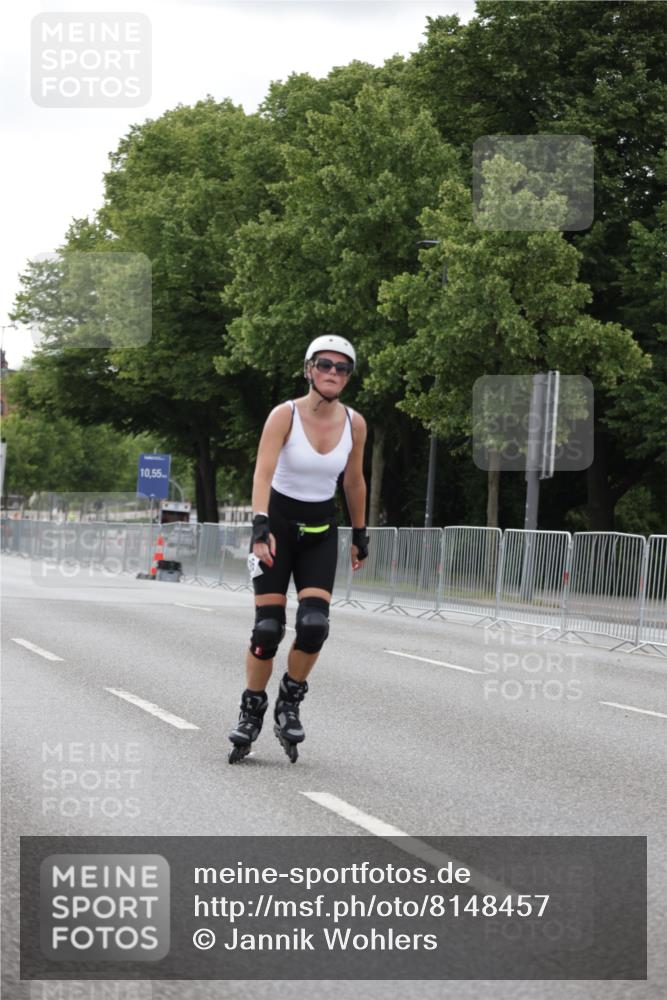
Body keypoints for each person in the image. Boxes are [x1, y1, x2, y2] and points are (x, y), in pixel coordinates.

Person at [228, 335, 369, 763]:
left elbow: (354, 481)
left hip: (321, 532)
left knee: (313, 626)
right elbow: (263, 473)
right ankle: (252, 708)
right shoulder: (283, 415)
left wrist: (361, 533)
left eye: (342, 368)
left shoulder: (355, 423)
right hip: (278, 532)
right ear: (309, 369)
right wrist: (259, 526)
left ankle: (290, 700)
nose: (332, 373)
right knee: (267, 630)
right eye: (324, 365)